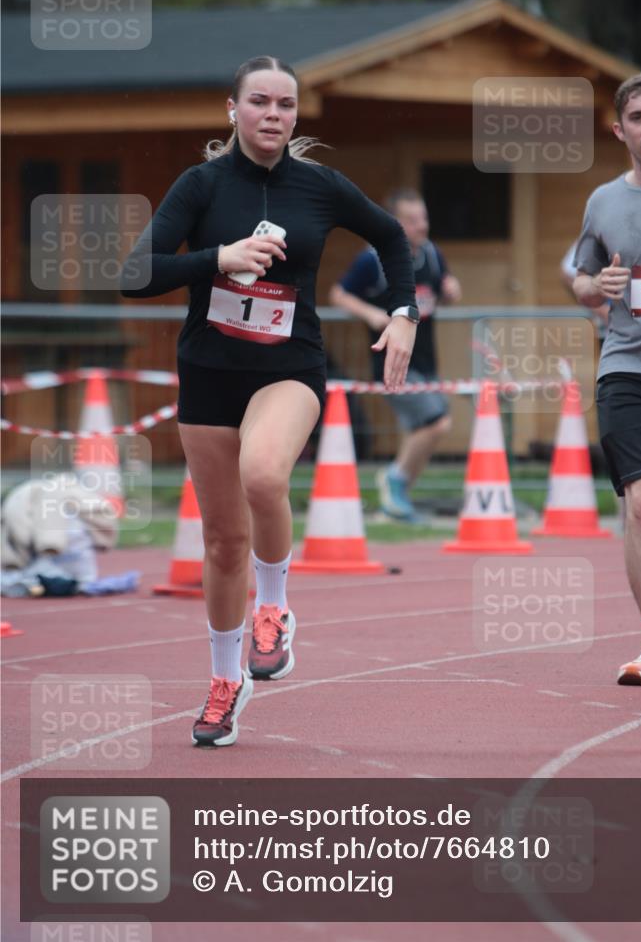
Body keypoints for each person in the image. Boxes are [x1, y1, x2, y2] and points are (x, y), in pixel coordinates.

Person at [122, 56, 417, 745]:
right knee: (222, 541)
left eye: (285, 105)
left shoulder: (320, 187)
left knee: (263, 473)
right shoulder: (199, 186)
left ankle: (275, 608)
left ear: (295, 116)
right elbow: (136, 275)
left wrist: (402, 312)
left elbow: (391, 237)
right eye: (259, 102)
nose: (273, 115)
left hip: (289, 366)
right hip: (208, 372)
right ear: (233, 110)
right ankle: (227, 681)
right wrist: (216, 260)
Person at [572, 69, 641, 686]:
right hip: (628, 367)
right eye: (640, 118)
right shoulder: (603, 201)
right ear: (619, 129)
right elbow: (580, 278)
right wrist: (595, 288)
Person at [330, 189, 461, 521]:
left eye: (424, 218)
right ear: (395, 223)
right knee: (436, 423)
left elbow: (442, 290)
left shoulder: (431, 254)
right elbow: (338, 294)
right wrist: (371, 315)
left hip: (426, 359)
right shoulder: (372, 259)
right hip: (391, 362)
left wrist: (451, 291)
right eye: (413, 220)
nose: (422, 226)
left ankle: (396, 499)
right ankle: (395, 480)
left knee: (425, 426)